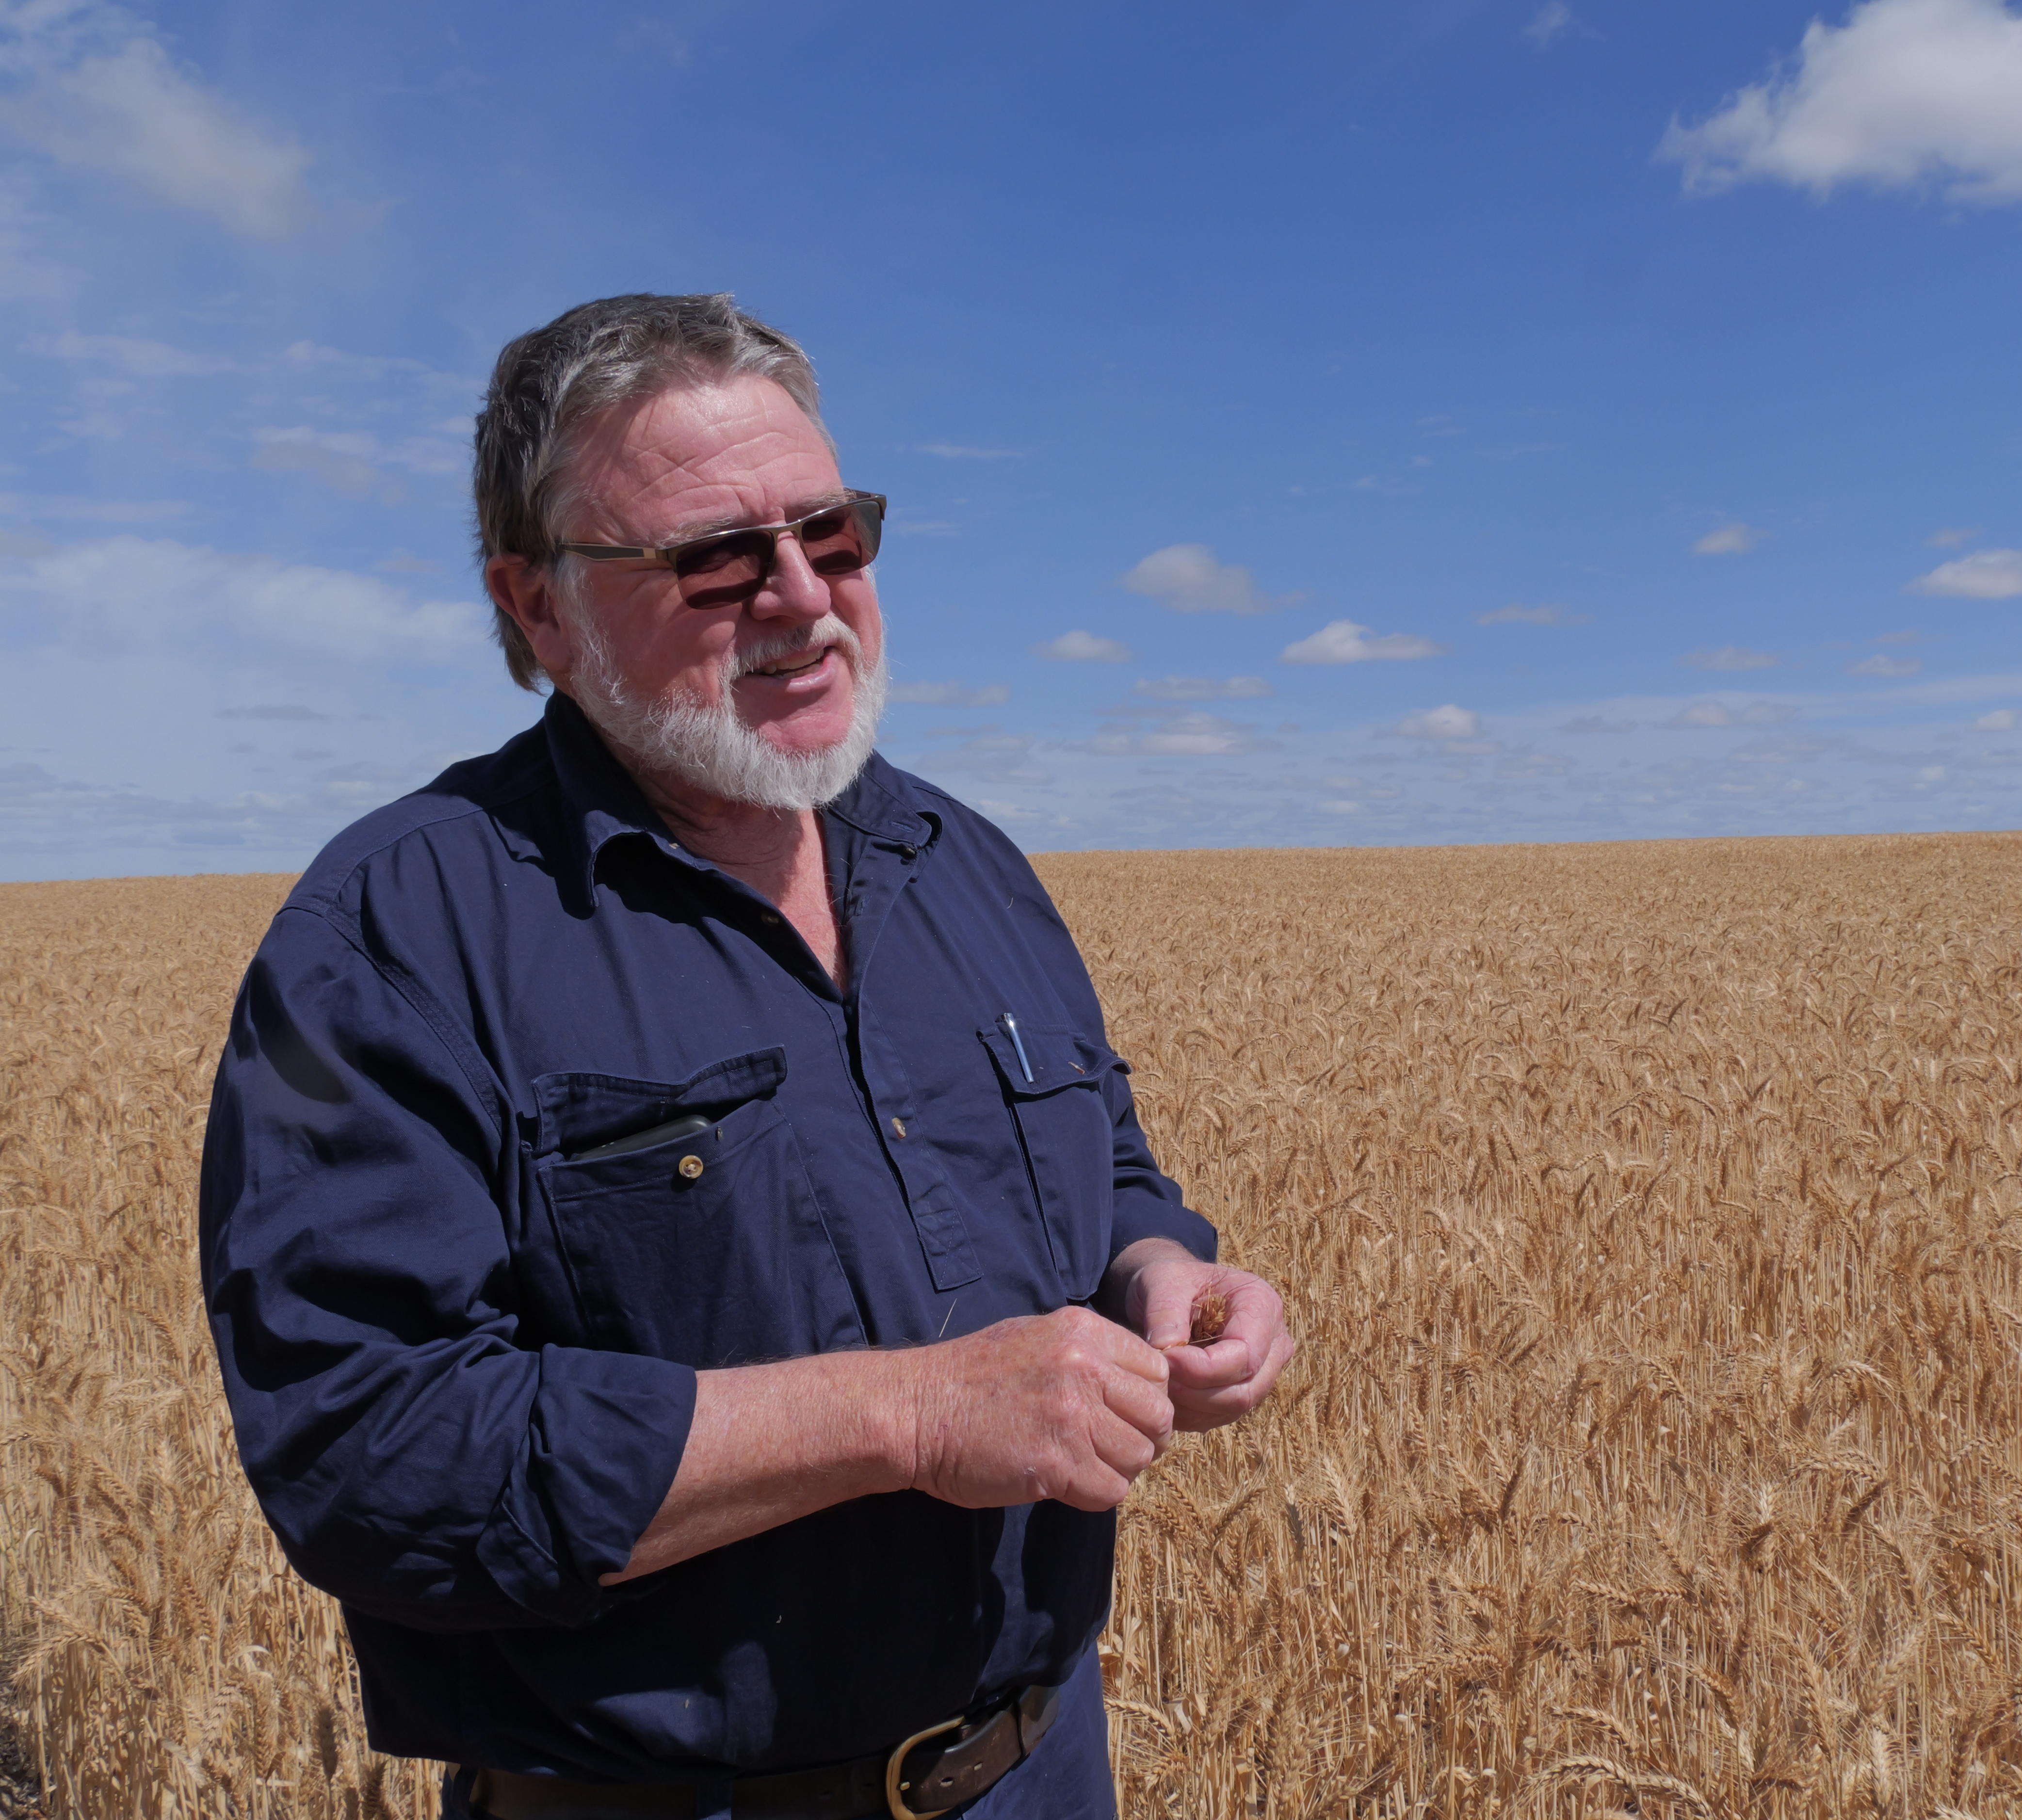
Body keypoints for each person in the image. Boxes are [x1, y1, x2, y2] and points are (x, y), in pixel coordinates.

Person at [198, 292, 1293, 1820]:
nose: (801, 597)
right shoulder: (395, 933)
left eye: (834, 534)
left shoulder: (960, 861)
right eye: (715, 557)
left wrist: (1161, 1267)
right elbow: (370, 1451)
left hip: (1042, 1770)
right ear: (538, 609)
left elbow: (1099, 1154)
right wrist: (904, 1417)